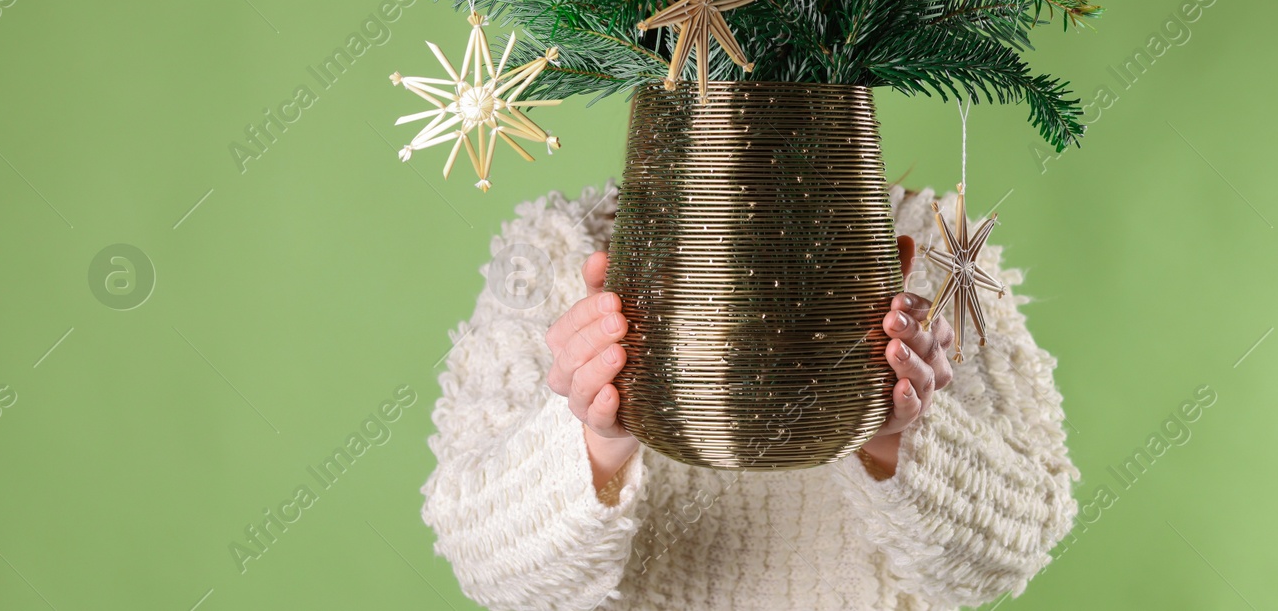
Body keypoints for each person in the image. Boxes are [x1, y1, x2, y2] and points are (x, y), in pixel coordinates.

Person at [421, 182, 1077, 610]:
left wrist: (894, 433)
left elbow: (1017, 541)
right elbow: (487, 562)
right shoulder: (559, 250)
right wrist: (597, 437)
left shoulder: (937, 249)